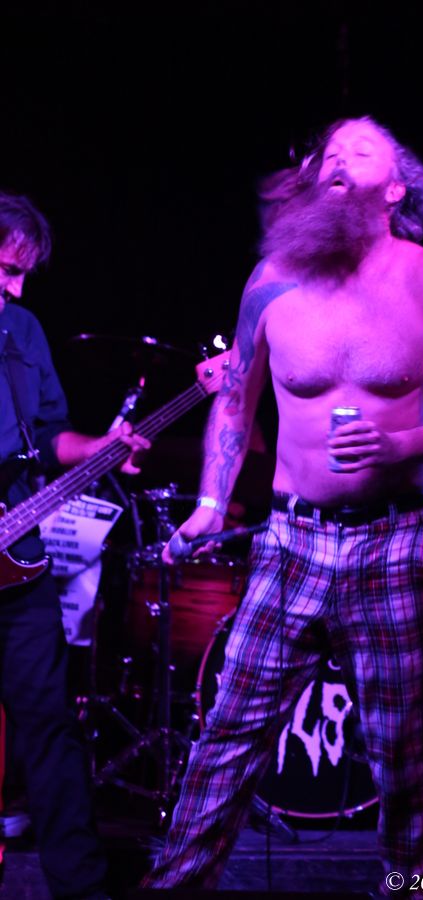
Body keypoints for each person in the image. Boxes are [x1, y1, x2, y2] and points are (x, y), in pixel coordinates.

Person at [141, 116, 423, 896]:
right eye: (330, 151)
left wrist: (401, 446)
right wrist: (210, 502)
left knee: (404, 749)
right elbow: (235, 396)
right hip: (291, 540)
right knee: (229, 734)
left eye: (361, 151)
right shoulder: (271, 279)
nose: (339, 158)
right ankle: (175, 887)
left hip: (392, 541)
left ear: (395, 190)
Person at [0, 190, 150, 899]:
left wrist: (99, 448)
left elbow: (50, 435)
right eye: (6, 270)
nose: (17, 288)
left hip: (18, 557)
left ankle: (81, 887)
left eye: (23, 273)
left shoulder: (23, 330)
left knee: (50, 722)